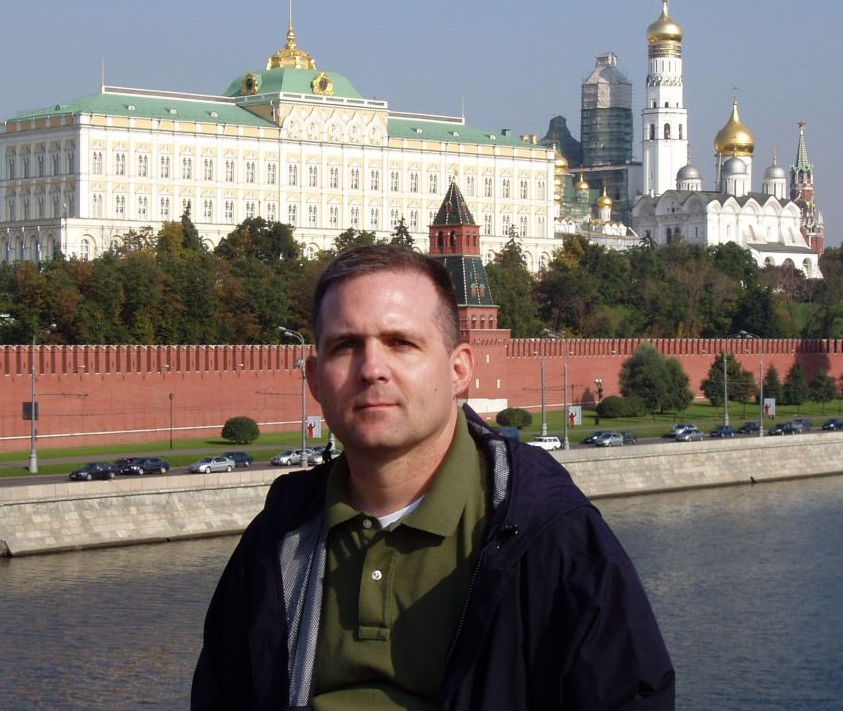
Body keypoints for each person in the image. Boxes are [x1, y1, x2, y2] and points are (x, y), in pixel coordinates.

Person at [192, 245, 673, 710]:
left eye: (401, 343)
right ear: (315, 378)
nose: (372, 369)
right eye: (345, 346)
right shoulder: (276, 542)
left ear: (460, 368)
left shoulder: (547, 535)